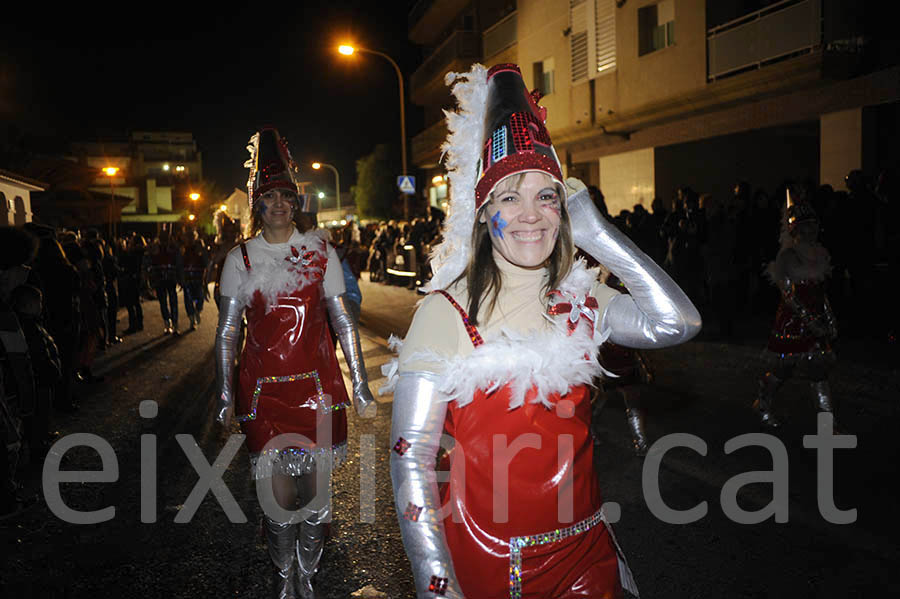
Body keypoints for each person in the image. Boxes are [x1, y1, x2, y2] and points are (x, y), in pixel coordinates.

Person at [385, 64, 701, 598]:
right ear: (484, 214)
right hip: (490, 562)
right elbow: (409, 457)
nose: (532, 215)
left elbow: (677, 322)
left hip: (585, 553)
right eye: (510, 197)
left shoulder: (578, 298)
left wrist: (598, 233)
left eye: (546, 196)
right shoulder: (444, 312)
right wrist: (435, 582)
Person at [214, 127, 375, 599]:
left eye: (287, 195)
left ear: (295, 201)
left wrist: (360, 383)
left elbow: (343, 323)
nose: (280, 204)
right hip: (264, 397)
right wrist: (226, 394)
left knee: (318, 500)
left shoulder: (319, 251)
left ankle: (308, 574)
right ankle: (284, 577)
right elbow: (227, 332)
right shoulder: (239, 258)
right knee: (279, 501)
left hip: (318, 393)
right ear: (256, 205)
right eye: (270, 197)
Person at [755, 186, 838, 431]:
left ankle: (828, 425)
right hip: (792, 323)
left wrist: (829, 318)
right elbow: (789, 295)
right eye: (805, 226)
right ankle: (763, 404)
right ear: (795, 228)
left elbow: (822, 293)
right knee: (783, 370)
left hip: (816, 322)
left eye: (813, 225)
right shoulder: (787, 256)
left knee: (819, 373)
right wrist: (810, 321)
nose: (811, 230)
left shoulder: (821, 253)